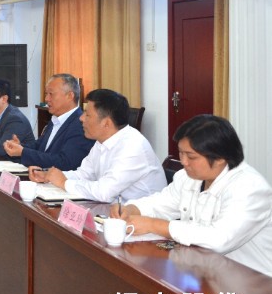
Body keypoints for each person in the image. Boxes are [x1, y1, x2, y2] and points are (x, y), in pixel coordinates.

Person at [114, 115, 272, 277]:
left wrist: (154, 225)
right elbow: (161, 203)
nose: (184, 162)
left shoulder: (250, 187)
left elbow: (219, 239)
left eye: (191, 156)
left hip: (252, 282)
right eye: (181, 153)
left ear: (220, 158)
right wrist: (132, 209)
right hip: (203, 270)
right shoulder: (189, 177)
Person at [29, 89, 166, 202]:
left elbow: (104, 192)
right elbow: (83, 174)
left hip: (142, 219)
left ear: (106, 123)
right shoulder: (102, 141)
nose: (81, 118)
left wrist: (64, 183)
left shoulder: (133, 147)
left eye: (87, 115)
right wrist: (49, 176)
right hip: (113, 211)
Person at [3, 73, 94, 170]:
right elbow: (39, 147)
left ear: (70, 96)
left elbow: (65, 162)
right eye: (46, 94)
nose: (46, 99)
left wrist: (23, 152)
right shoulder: (55, 120)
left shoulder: (81, 125)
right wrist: (18, 147)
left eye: (51, 94)